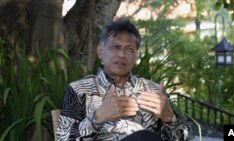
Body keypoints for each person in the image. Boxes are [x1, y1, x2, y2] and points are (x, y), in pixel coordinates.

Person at [57, 17, 192, 141]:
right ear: (100, 51)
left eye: (129, 49)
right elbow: (62, 138)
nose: (121, 54)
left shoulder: (153, 92)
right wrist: (96, 118)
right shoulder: (79, 90)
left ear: (136, 56)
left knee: (143, 137)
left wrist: (170, 118)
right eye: (115, 47)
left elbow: (185, 139)